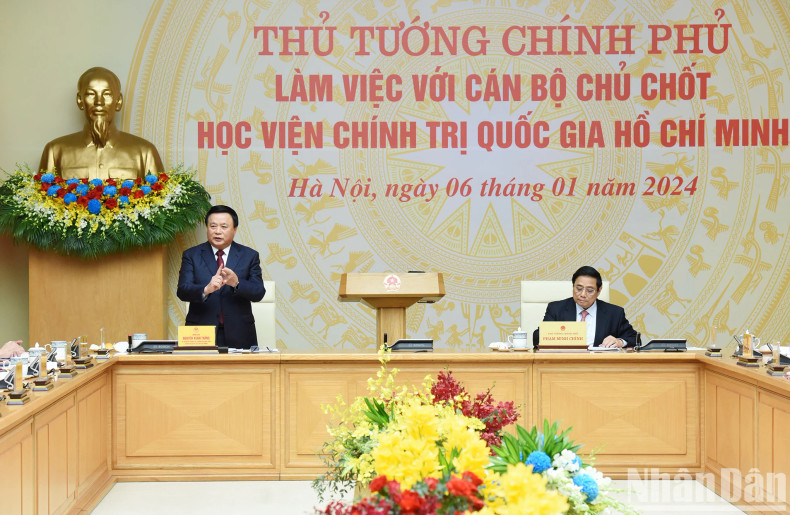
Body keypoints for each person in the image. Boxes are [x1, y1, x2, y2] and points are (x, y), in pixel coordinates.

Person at [39, 67, 164, 180]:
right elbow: (40, 201)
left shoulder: (145, 153)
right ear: (80, 100)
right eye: (91, 94)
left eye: (107, 94)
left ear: (119, 101)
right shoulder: (55, 151)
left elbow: (161, 202)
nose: (99, 101)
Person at [177, 205, 265, 349]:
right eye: (213, 226)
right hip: (200, 333)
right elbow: (182, 291)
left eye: (224, 226)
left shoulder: (249, 256)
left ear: (234, 230)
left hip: (240, 333)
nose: (217, 231)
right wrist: (206, 289)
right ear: (207, 228)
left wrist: (237, 283)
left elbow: (258, 292)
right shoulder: (191, 255)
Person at [533, 266, 637, 348]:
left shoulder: (614, 313)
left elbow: (634, 338)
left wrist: (619, 342)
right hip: (565, 364)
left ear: (599, 290)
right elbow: (537, 337)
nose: (583, 294)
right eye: (578, 288)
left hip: (600, 366)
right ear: (573, 286)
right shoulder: (556, 309)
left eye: (590, 290)